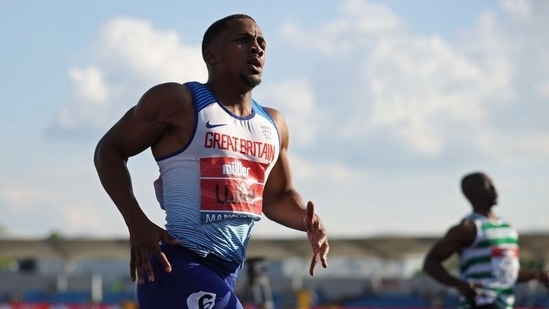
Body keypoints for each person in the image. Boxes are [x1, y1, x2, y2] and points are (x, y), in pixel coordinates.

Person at [93, 14, 329, 309]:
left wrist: (306, 221)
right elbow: (109, 150)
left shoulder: (273, 125)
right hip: (176, 267)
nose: (256, 48)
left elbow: (277, 197)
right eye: (243, 40)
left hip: (226, 273)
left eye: (261, 43)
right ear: (212, 56)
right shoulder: (179, 102)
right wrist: (137, 222)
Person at [422, 171, 548, 309]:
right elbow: (430, 263)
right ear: (471, 192)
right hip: (481, 302)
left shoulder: (507, 228)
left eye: (492, 183)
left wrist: (537, 275)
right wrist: (459, 284)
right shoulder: (468, 228)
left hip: (504, 303)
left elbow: (507, 273)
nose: (493, 188)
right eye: (486, 184)